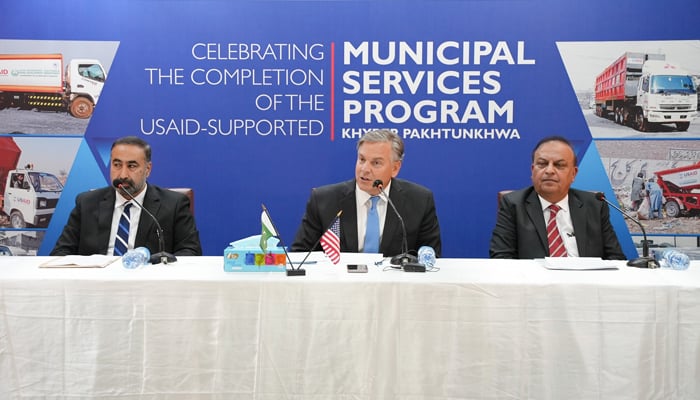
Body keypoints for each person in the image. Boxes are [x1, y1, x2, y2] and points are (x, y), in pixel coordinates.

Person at [291, 128, 442, 258]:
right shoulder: (324, 200)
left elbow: (430, 258)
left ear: (395, 168)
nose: (364, 169)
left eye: (376, 163)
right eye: (362, 159)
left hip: (395, 289)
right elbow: (300, 256)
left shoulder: (419, 201)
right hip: (339, 288)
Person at [51, 136, 202, 257]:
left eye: (132, 166)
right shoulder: (87, 203)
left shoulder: (174, 204)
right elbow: (61, 253)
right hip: (96, 288)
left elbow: (190, 253)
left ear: (147, 169)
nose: (123, 174)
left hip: (148, 287)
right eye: (117, 165)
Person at [489, 135, 626, 260]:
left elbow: (615, 258)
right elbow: (501, 258)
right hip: (535, 284)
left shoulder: (595, 204)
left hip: (586, 283)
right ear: (532, 170)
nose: (549, 170)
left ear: (573, 173)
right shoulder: (514, 204)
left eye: (559, 165)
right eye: (542, 164)